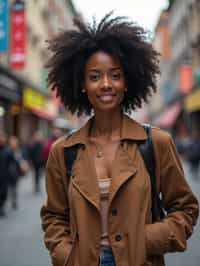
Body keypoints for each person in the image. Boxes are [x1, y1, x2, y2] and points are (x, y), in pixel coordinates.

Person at [40, 13, 199, 266]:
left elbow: (186, 209)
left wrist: (144, 239)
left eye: (115, 75)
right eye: (94, 77)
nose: (105, 84)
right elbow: (53, 216)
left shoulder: (155, 142)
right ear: (82, 84)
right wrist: (68, 255)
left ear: (127, 81)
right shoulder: (63, 150)